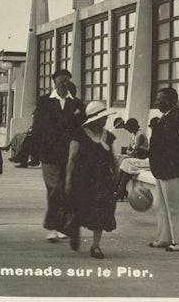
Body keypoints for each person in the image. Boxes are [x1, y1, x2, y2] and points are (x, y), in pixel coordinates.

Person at [32, 69, 86, 243]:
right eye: (61, 80)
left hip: (70, 155)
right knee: (55, 189)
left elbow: (82, 129)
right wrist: (35, 152)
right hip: (49, 154)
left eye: (67, 81)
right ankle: (53, 227)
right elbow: (37, 128)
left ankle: (61, 226)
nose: (65, 84)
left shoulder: (77, 104)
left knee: (66, 190)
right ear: (54, 82)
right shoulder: (45, 102)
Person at [66, 101, 118, 259]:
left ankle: (95, 246)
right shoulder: (79, 134)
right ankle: (73, 231)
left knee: (101, 210)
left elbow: (113, 158)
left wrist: (115, 175)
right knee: (79, 209)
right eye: (102, 118)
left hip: (102, 180)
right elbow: (72, 159)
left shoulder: (107, 136)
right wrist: (68, 180)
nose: (105, 121)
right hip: (82, 179)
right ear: (94, 120)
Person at [148, 87, 179, 252]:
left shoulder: (178, 118)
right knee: (162, 204)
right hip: (162, 169)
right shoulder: (166, 118)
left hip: (172, 169)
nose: (156, 102)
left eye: (160, 99)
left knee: (175, 205)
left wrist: (175, 164)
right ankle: (164, 237)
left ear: (170, 101)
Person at [114, 118, 149, 199]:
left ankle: (120, 189)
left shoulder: (140, 135)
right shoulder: (133, 135)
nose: (128, 130)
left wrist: (129, 152)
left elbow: (133, 151)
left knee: (126, 162)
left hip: (142, 157)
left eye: (129, 128)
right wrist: (129, 152)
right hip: (135, 156)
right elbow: (129, 149)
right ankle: (120, 189)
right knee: (121, 159)